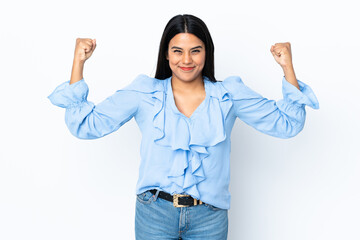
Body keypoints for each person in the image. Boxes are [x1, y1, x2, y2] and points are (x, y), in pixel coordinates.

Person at [48, 14, 319, 240]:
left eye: (195, 50)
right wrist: (78, 63)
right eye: (177, 51)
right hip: (153, 212)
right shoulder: (145, 93)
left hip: (209, 218)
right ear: (166, 54)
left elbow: (288, 125)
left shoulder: (229, 94)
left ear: (206, 53)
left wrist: (287, 67)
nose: (186, 60)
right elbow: (85, 125)